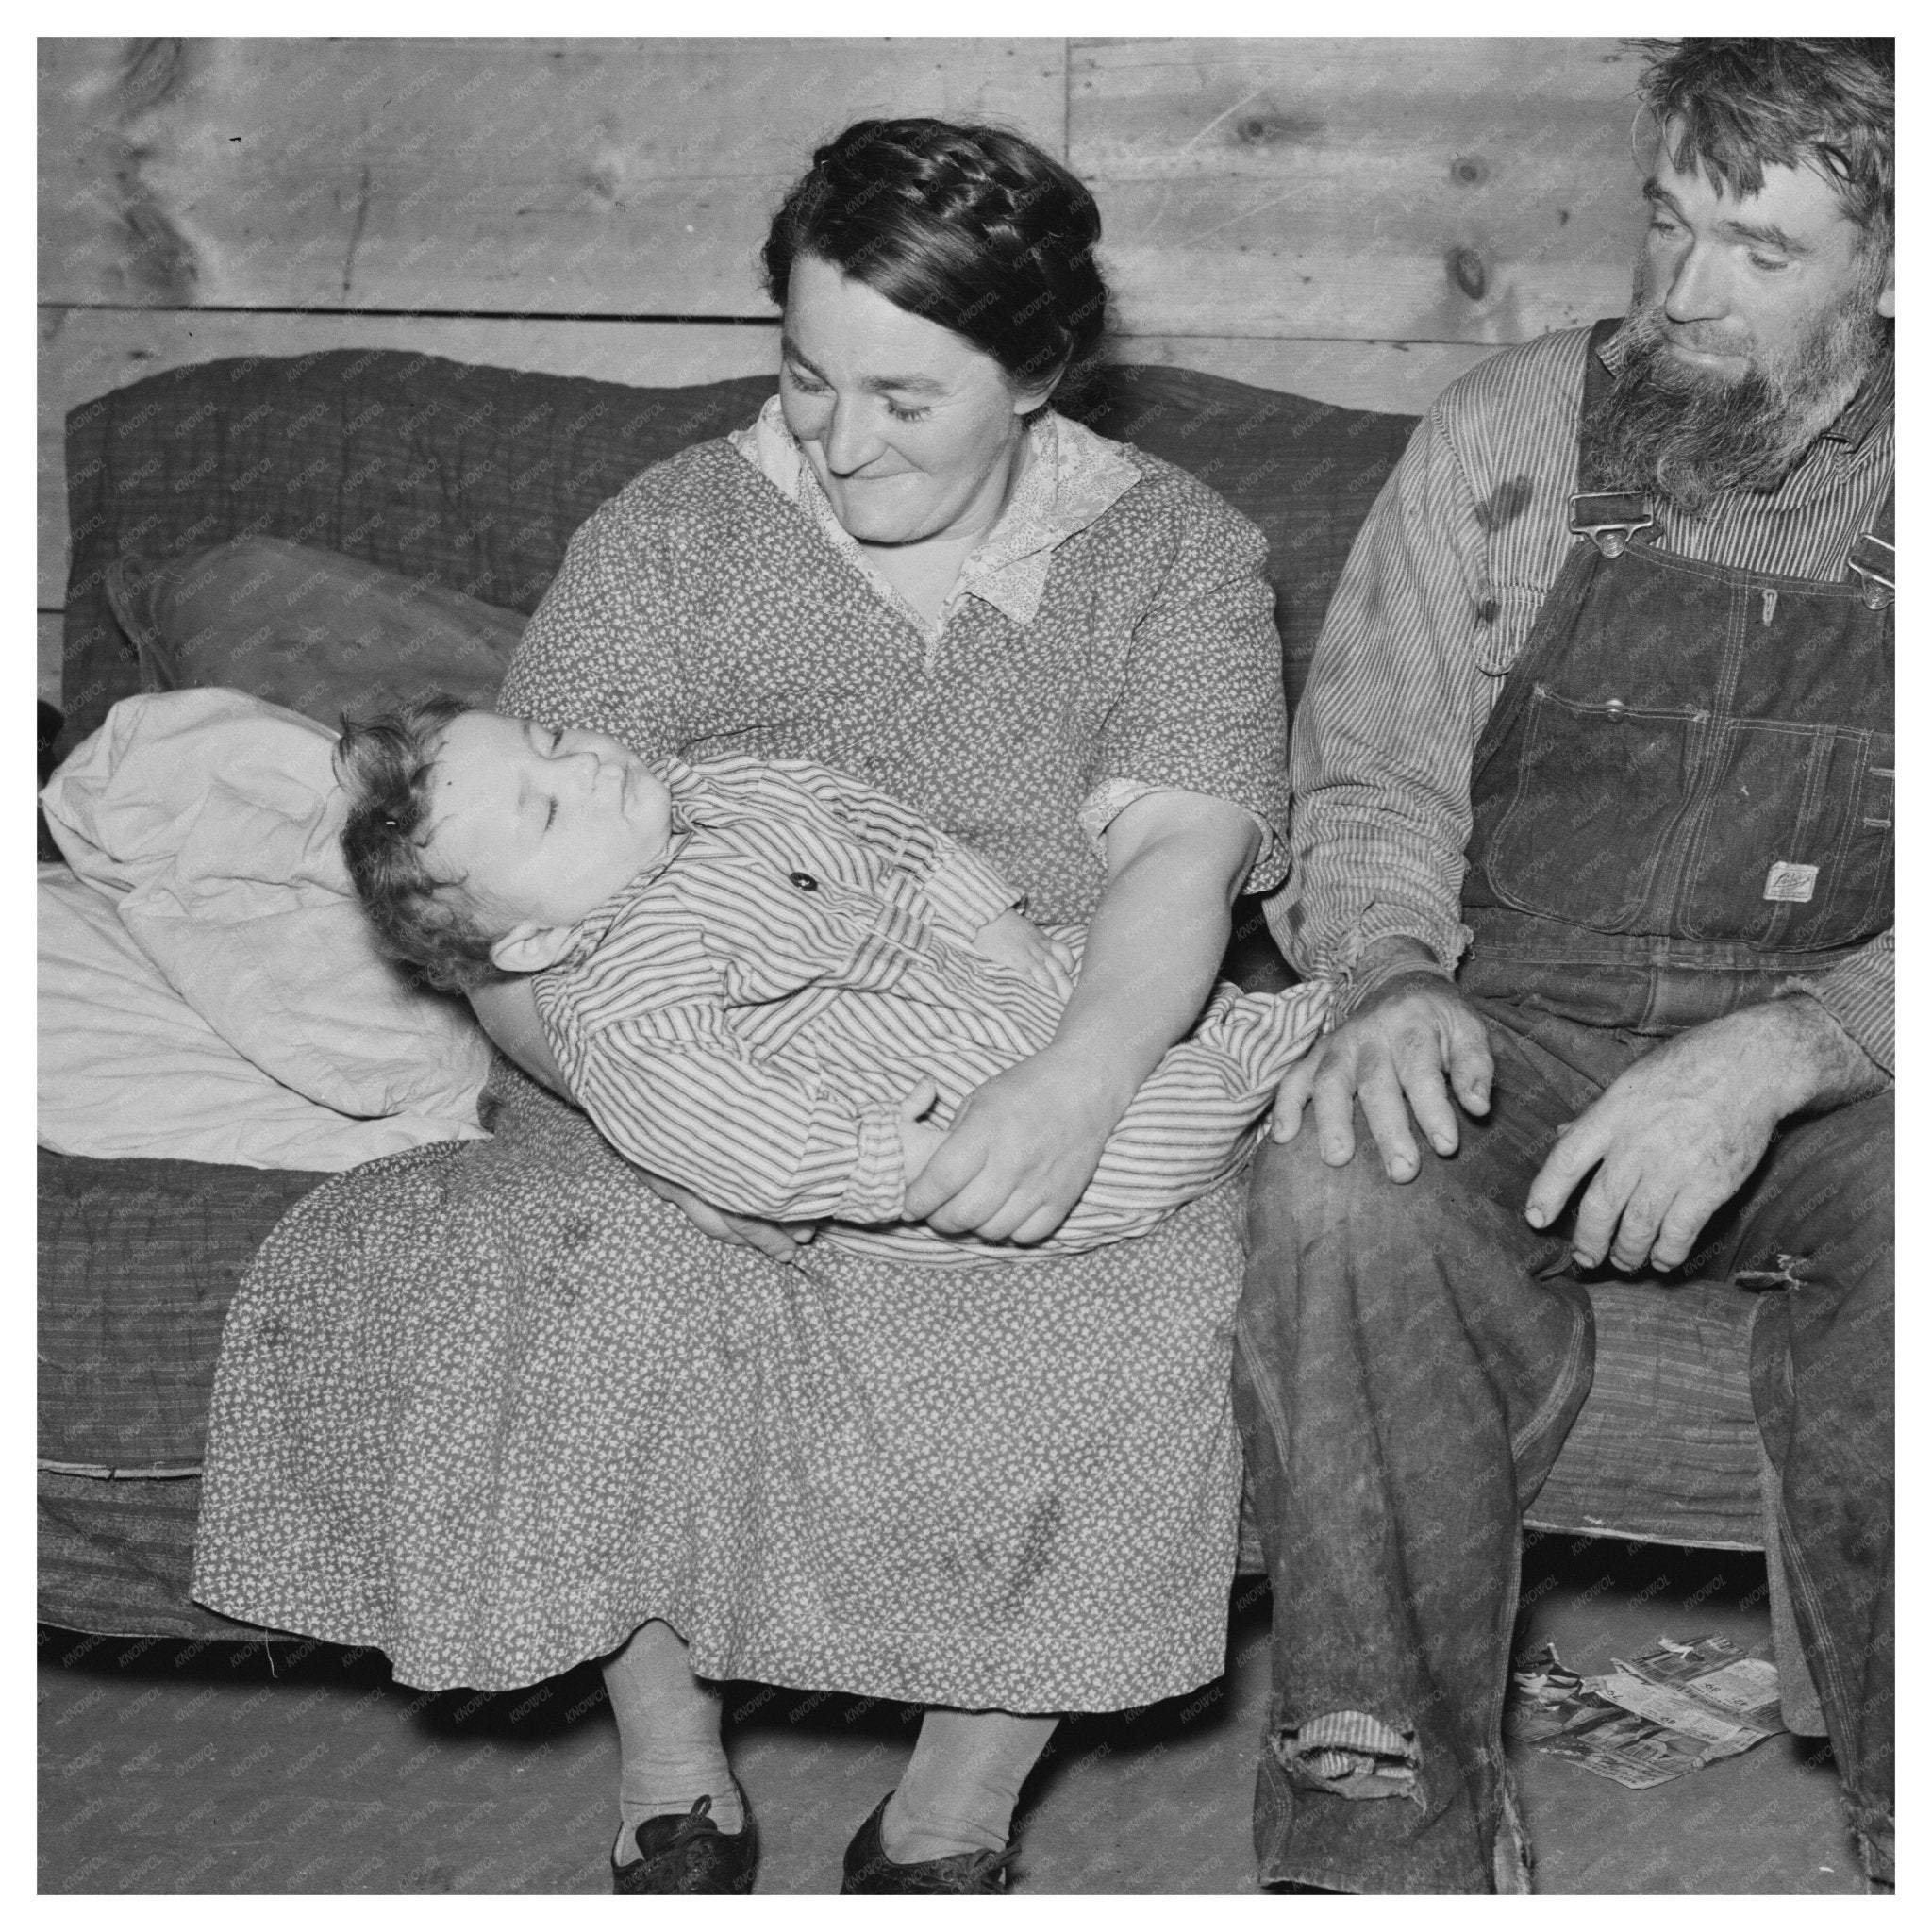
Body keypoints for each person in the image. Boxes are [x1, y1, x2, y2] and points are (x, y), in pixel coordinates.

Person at [193, 118, 1292, 1894]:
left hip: (1017, 1021)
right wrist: (677, 1127)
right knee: (585, 1254)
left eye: (906, 399)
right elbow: (503, 906)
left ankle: (950, 1804)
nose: (843, 447)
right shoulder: (675, 529)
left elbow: (1180, 847)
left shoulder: (1169, 553)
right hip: (660, 1055)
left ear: (1036, 372)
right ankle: (667, 1745)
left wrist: (1078, 1085)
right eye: (804, 380)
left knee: (1152, 1278)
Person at [1237, 38, 1892, 1894]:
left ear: (1893, 266)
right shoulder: (1510, 429)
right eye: (1666, 229)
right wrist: (1384, 975)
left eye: (1757, 253)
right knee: (1337, 1179)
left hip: (1850, 1065)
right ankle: (1393, 1845)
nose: (1682, 299)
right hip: (1516, 1019)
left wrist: (1790, 1046)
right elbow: (1365, 765)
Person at [333, 700, 1325, 1258]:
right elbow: (729, 1128)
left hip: (975, 977)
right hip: (921, 1116)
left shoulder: (718, 787)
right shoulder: (618, 1000)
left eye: (551, 742)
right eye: (546, 813)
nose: (584, 770)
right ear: (532, 946)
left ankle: (1280, 1028)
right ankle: (1260, 1064)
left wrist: (981, 911)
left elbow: (871, 819)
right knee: (1139, 1145)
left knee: (1123, 969)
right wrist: (886, 1160)